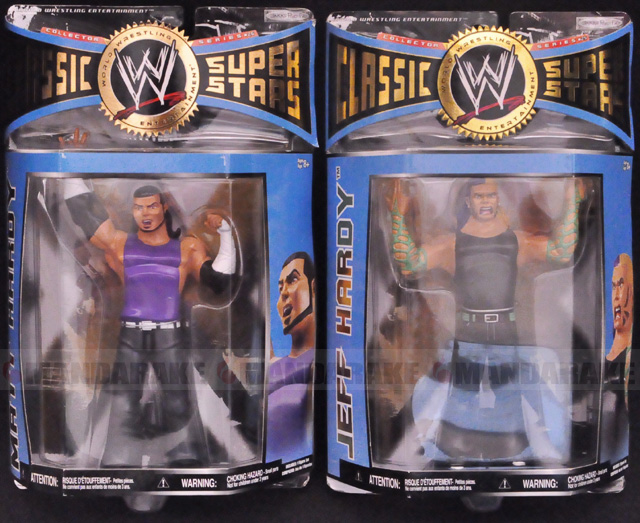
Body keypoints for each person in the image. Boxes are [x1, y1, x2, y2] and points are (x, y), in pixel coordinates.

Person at [388, 178, 585, 463]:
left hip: (505, 330)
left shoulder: (516, 240)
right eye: (479, 196)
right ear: (468, 201)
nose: (486, 201)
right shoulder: (452, 244)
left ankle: (523, 451)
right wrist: (398, 212)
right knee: (460, 392)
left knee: (512, 391)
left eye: (490, 195)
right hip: (468, 332)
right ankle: (446, 451)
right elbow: (410, 263)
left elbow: (561, 251)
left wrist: (572, 201)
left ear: (498, 199)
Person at [63, 181, 237, 465]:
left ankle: (181, 454)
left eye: (152, 206)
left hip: (169, 336)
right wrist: (71, 172)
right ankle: (119, 459)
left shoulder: (187, 248)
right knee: (123, 401)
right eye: (138, 207)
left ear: (164, 207)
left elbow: (219, 281)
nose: (145, 213)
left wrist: (226, 233)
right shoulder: (120, 243)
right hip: (131, 336)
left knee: (178, 402)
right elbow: (86, 215)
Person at [266, 252, 316, 460]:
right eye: (280, 289)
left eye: (293, 280)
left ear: (314, 289)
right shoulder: (273, 363)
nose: (284, 293)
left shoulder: (318, 364)